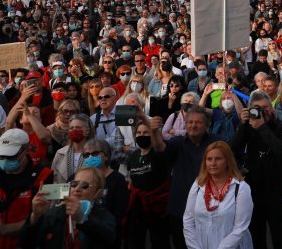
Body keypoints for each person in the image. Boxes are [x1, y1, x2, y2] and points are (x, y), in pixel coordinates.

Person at [231, 90, 282, 249]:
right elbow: (232, 149)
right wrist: (243, 125)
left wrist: (262, 126)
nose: (263, 111)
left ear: (272, 107)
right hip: (253, 188)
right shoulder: (248, 126)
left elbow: (280, 151)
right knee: (256, 236)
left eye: (266, 107)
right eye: (258, 109)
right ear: (251, 110)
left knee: (279, 236)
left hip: (276, 190)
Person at [151, 105, 215, 249]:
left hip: (210, 210)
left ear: (207, 125)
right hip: (180, 209)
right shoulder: (177, 143)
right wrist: (154, 132)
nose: (193, 125)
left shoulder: (216, 144)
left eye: (198, 122)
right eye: (190, 122)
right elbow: (160, 148)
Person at [0, 129, 53, 245]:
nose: (5, 160)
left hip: (24, 243)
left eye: (11, 155)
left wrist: (4, 229)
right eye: (1, 156)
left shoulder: (44, 175)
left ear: (26, 150)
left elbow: (42, 217)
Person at [20, 167, 116, 248]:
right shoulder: (53, 213)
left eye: (84, 186)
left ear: (98, 193)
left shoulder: (103, 215)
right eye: (74, 184)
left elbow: (109, 239)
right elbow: (26, 244)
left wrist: (82, 218)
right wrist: (35, 216)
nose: (77, 189)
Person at [183, 141, 253, 249]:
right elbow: (188, 220)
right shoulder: (198, 185)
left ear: (228, 161)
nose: (213, 163)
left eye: (218, 159)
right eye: (209, 159)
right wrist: (194, 247)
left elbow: (240, 228)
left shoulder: (241, 188)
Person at [126, 118, 170, 249]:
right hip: (138, 207)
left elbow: (159, 146)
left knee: (160, 242)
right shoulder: (133, 155)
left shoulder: (158, 153)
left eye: (146, 132)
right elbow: (131, 179)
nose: (142, 135)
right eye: (139, 133)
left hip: (159, 207)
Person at [81, 138, 129, 235]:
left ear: (106, 156)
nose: (90, 157)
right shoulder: (76, 179)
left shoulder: (118, 179)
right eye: (86, 155)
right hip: (83, 232)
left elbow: (119, 212)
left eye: (95, 153)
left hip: (108, 231)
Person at [51, 114, 94, 184]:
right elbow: (54, 179)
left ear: (87, 131)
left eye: (78, 127)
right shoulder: (60, 153)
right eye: (71, 128)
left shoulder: (95, 153)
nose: (74, 130)